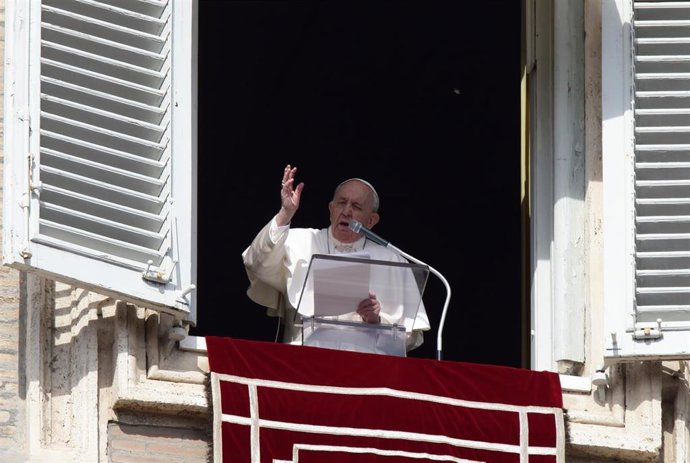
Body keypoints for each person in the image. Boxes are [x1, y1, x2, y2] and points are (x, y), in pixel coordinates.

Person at [242, 164, 430, 352]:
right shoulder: (299, 241)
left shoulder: (392, 260)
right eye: (341, 203)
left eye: (356, 206)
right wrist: (285, 214)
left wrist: (377, 320)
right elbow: (255, 261)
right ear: (331, 209)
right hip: (304, 362)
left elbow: (410, 338)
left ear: (371, 220)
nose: (347, 211)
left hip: (366, 370)